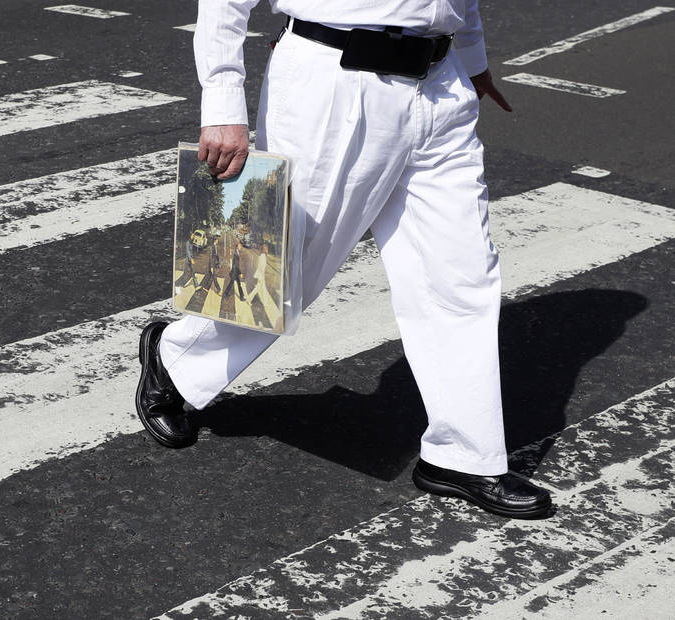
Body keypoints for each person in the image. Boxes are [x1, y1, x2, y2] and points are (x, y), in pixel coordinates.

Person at [136, 0, 552, 519]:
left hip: (440, 87)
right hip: (333, 83)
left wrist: (471, 57)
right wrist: (222, 105)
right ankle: (175, 360)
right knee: (284, 265)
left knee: (462, 275)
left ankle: (464, 454)